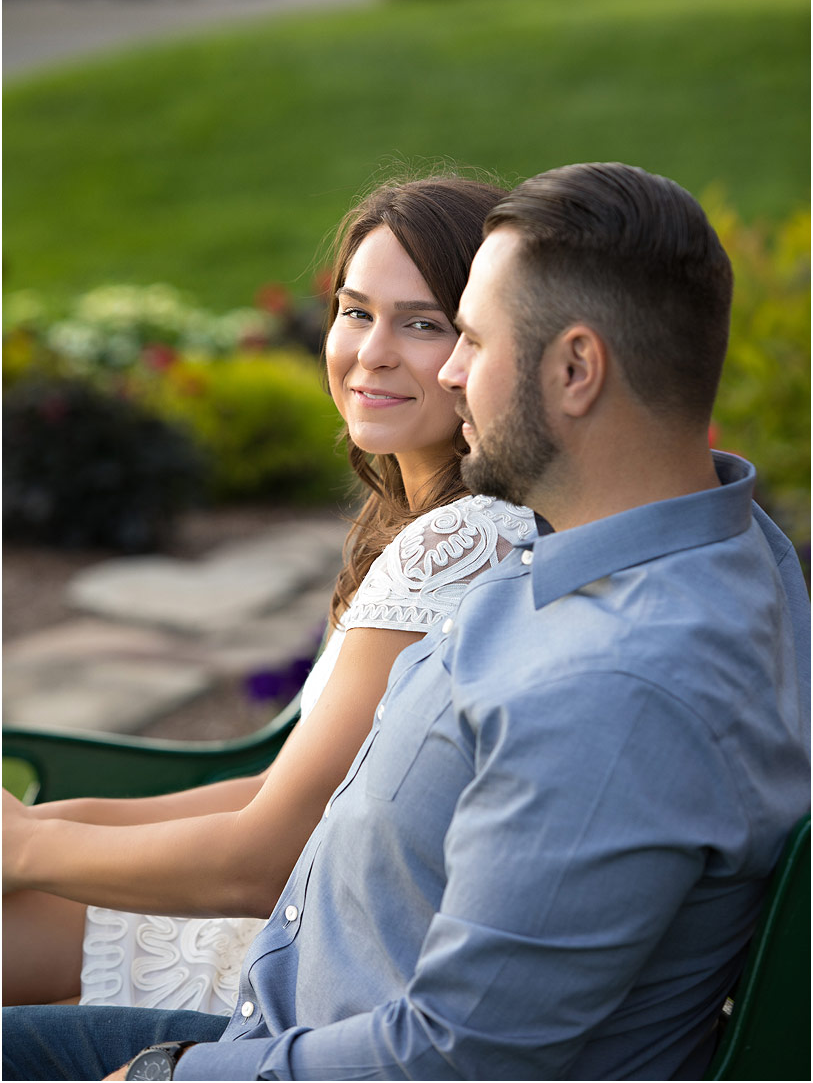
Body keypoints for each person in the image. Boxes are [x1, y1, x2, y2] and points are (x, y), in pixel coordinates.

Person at [4, 162, 809, 1082]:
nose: (454, 376)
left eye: (463, 336)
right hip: (278, 1012)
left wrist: (162, 1075)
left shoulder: (611, 687)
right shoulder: (654, 540)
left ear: (576, 369)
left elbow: (453, 1061)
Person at [2, 175, 535, 1013]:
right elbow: (280, 786)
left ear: (484, 344)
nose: (373, 351)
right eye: (356, 312)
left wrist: (31, 848)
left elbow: (270, 852)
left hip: (300, 967)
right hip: (295, 907)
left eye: (424, 324)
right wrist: (43, 828)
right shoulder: (422, 519)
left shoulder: (463, 539)